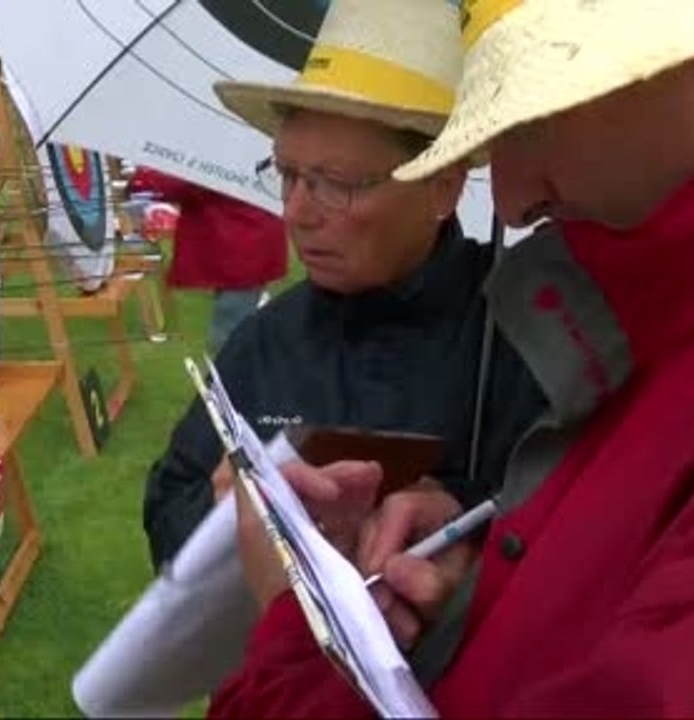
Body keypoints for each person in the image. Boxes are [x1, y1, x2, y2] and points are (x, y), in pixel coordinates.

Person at [210, 0, 694, 716]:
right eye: (287, 174)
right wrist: (479, 581)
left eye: (533, 117)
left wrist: (297, 625)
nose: (508, 198)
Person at [142, 0, 546, 574]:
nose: (297, 212)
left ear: (441, 188)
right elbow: (167, 508)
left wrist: (464, 526)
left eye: (335, 184)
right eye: (287, 175)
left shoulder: (529, 334)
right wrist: (218, 510)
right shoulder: (264, 343)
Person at [126, 166, 287, 353]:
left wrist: (141, 178)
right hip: (245, 245)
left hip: (244, 247)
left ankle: (228, 378)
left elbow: (182, 184)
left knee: (229, 329)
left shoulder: (225, 155)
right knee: (235, 321)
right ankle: (237, 373)